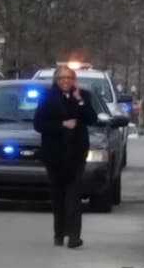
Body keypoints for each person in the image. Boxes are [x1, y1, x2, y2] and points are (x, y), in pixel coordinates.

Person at [34, 65, 99, 249]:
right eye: (62, 78)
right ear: (56, 80)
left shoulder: (82, 96)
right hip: (55, 154)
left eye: (69, 78)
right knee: (58, 195)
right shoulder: (47, 98)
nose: (65, 81)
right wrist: (62, 124)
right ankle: (59, 233)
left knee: (74, 196)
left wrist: (79, 100)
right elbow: (39, 124)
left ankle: (74, 236)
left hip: (76, 153)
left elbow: (91, 119)